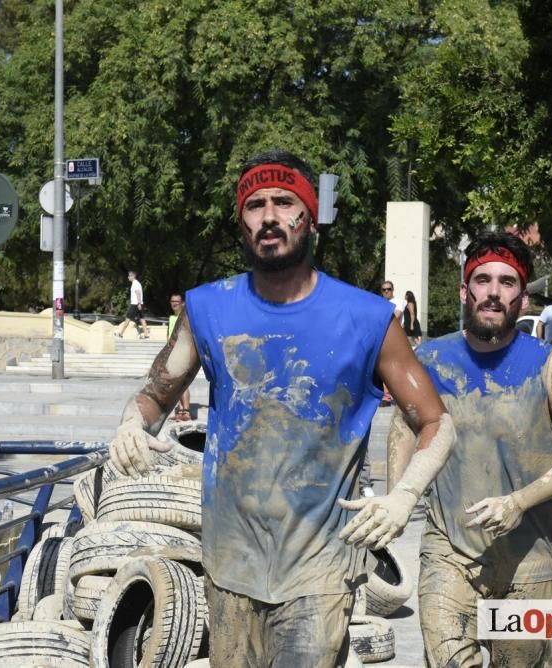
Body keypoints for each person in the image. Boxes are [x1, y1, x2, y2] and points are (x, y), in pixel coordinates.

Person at [109, 149, 455, 667]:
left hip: (320, 570)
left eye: (284, 202)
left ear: (309, 218)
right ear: (241, 223)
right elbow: (156, 396)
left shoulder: (367, 317)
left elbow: (436, 422)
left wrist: (403, 496)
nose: (269, 216)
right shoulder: (207, 308)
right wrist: (129, 424)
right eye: (255, 205)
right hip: (230, 566)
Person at [387, 231, 552, 668]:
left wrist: (519, 501)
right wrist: (396, 498)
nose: (494, 292)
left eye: (507, 283)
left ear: (523, 299)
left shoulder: (549, 365)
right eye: (483, 280)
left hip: (529, 560)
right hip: (449, 551)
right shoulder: (429, 360)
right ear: (465, 291)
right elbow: (404, 429)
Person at [167, 293, 192, 421]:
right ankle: (180, 411)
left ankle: (186, 411)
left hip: (184, 352)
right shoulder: (172, 318)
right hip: (173, 354)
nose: (174, 303)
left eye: (177, 301)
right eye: (172, 301)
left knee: (183, 384)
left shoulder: (187, 317)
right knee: (177, 384)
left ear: (182, 303)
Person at [115, 270, 150, 339]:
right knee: (142, 319)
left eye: (129, 276)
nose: (128, 277)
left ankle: (120, 334)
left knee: (128, 318)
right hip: (139, 304)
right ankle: (146, 335)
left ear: (133, 276)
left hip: (135, 304)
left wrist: (139, 303)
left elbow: (138, 293)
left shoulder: (135, 284)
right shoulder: (137, 283)